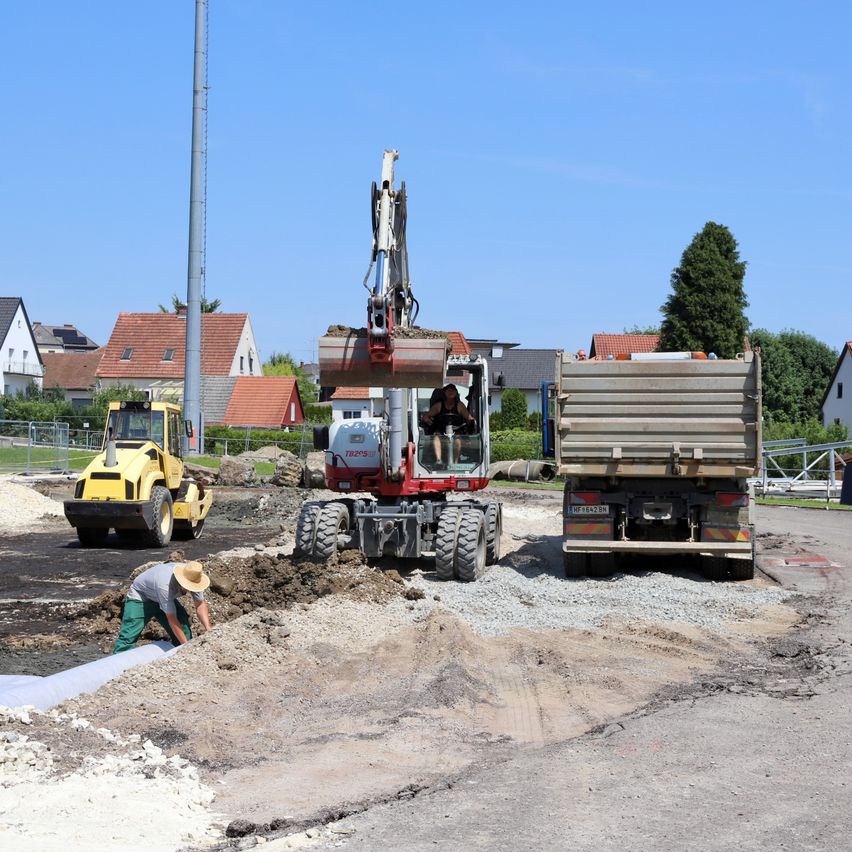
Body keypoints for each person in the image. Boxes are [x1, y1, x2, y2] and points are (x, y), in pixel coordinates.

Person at [113, 560, 212, 654]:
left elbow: (200, 604)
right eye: (188, 586)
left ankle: (178, 656)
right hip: (141, 597)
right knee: (129, 635)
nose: (190, 589)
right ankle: (119, 660)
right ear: (181, 580)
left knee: (183, 628)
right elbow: (172, 619)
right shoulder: (165, 585)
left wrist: (209, 630)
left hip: (163, 597)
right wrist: (185, 647)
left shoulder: (194, 576)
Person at [421, 383, 477, 467]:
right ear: (444, 393)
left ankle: (455, 462)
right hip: (441, 432)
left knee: (457, 440)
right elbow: (426, 416)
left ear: (456, 393)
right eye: (449, 390)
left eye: (453, 390)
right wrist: (430, 423)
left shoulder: (460, 405)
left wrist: (472, 422)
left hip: (456, 432)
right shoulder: (439, 405)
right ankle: (438, 460)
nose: (451, 391)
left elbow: (469, 418)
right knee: (436, 437)